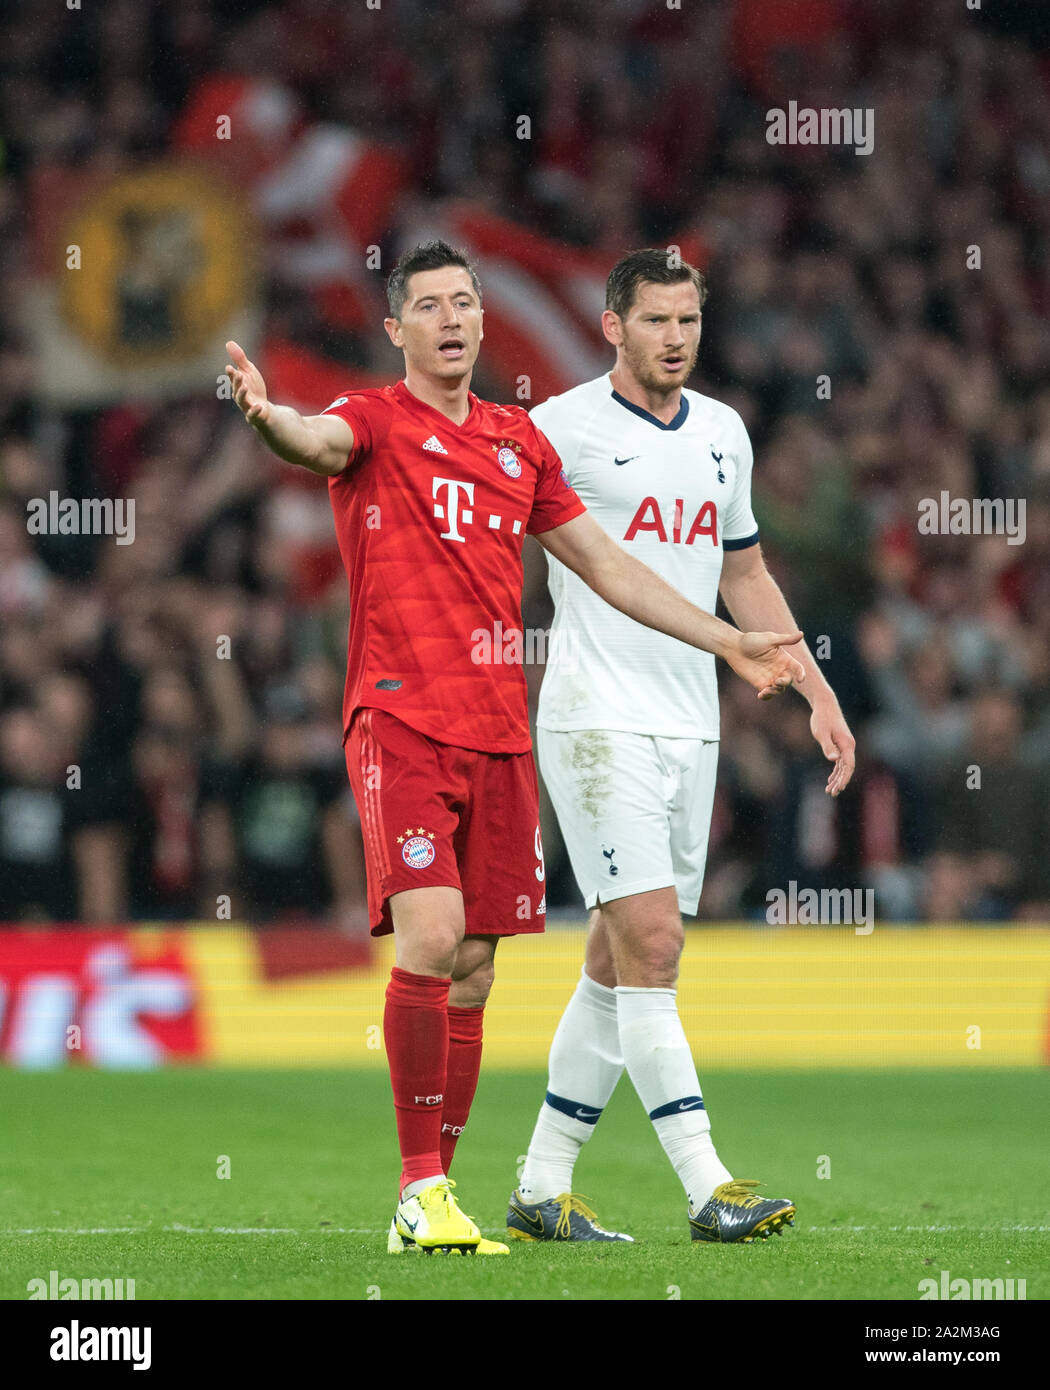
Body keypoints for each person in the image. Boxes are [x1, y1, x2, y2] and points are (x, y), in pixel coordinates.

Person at [225, 241, 806, 1256]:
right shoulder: (372, 419)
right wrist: (267, 416)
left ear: (483, 323)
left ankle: (442, 1195)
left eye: (466, 303)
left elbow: (610, 569)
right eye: (431, 306)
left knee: (480, 969)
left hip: (498, 731)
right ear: (396, 327)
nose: (453, 319)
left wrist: (728, 639)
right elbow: (310, 443)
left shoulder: (516, 443)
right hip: (401, 715)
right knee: (435, 935)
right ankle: (417, 1187)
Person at [508, 249, 856, 1245]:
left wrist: (816, 690)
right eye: (656, 320)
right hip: (594, 719)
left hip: (689, 721)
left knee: (619, 964)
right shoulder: (558, 429)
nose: (675, 338)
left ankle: (541, 1184)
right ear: (613, 325)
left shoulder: (724, 433)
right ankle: (709, 1186)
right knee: (656, 944)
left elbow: (743, 577)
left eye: (689, 321)